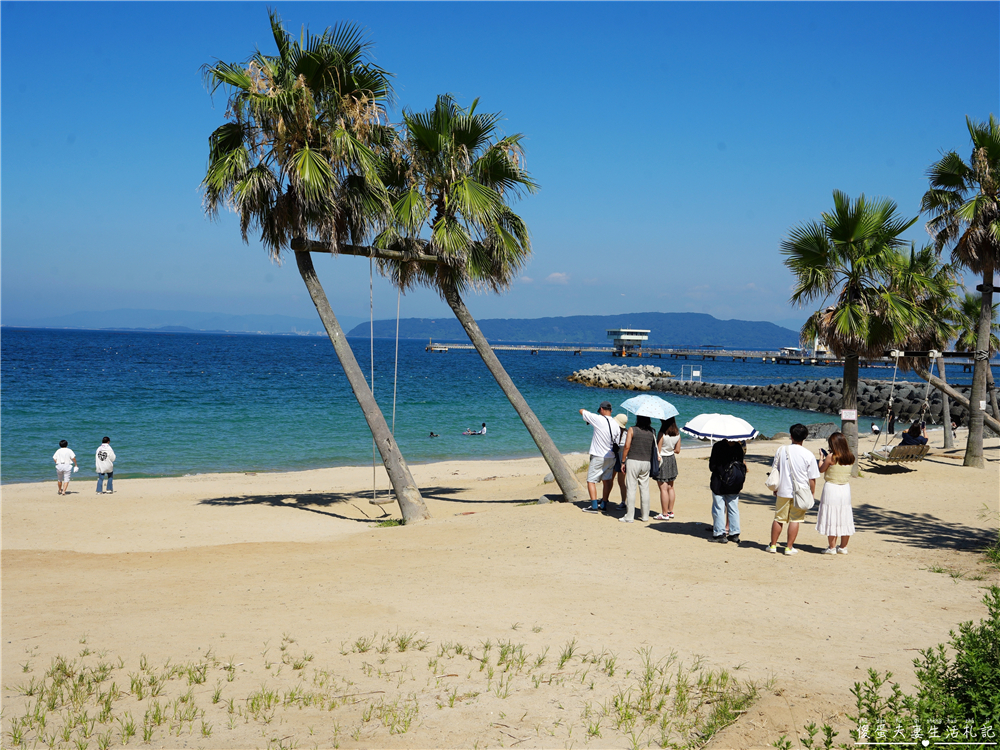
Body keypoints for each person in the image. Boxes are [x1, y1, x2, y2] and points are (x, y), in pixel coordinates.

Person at [767, 423, 820, 556]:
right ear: (805, 437)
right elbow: (812, 478)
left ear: (791, 436)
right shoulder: (808, 455)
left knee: (779, 518)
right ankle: (789, 547)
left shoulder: (781, 450)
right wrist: (812, 493)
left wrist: (776, 487)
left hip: (783, 489)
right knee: (795, 520)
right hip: (801, 491)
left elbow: (776, 469)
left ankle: (773, 545)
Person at [816, 432, 855, 554]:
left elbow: (821, 470)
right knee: (845, 515)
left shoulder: (831, 457)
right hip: (844, 488)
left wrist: (821, 458)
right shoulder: (850, 457)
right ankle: (843, 547)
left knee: (831, 516)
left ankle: (832, 547)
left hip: (831, 488)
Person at [579, 401, 622, 513]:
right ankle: (604, 503)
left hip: (598, 455)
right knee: (607, 480)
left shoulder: (598, 419)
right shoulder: (616, 424)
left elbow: (581, 411)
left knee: (591, 481)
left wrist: (592, 415)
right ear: (611, 411)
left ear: (601, 409)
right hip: (611, 456)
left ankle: (593, 506)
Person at [707, 438, 745, 543]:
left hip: (719, 481)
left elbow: (712, 466)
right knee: (733, 507)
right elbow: (741, 463)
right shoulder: (738, 447)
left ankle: (720, 533)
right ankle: (734, 532)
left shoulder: (718, 446)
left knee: (718, 507)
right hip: (735, 482)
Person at [620, 415, 656, 523]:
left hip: (633, 460)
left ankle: (629, 516)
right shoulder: (652, 431)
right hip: (646, 462)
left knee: (631, 488)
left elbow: (627, 446)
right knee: (644, 488)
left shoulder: (632, 429)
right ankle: (645, 516)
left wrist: (622, 461)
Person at [653, 417, 681, 521]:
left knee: (663, 488)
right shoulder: (677, 433)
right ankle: (670, 511)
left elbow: (658, 450)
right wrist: (670, 448)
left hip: (663, 459)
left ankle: (664, 514)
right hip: (671, 459)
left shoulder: (662, 433)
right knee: (671, 487)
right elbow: (677, 450)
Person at [612, 413, 629, 510]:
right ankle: (623, 501)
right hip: (624, 459)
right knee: (621, 481)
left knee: (613, 480)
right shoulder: (627, 433)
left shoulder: (616, 432)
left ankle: (623, 501)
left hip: (618, 459)